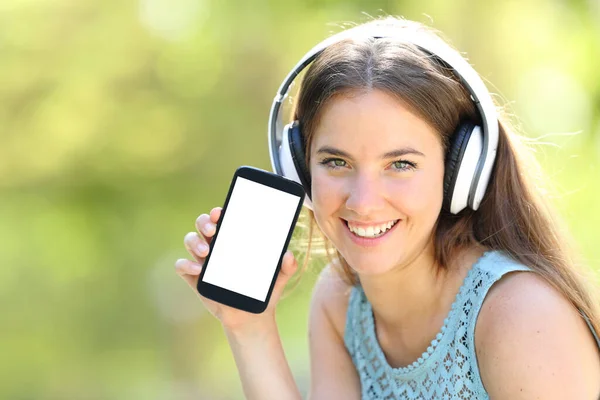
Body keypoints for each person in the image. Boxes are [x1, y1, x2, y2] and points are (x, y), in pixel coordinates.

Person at [175, 16, 600, 399]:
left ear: (457, 171)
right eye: (336, 162)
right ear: (300, 168)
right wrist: (249, 328)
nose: (363, 202)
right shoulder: (341, 304)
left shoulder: (522, 317)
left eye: (400, 164)